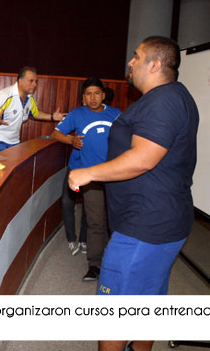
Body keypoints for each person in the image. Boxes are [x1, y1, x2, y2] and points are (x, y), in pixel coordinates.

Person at [69, 37, 199, 351]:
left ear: (155, 64)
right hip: (161, 220)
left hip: (144, 227)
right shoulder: (171, 97)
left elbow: (143, 159)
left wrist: (88, 173)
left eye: (137, 57)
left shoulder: (163, 101)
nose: (130, 62)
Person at [52, 78, 121, 280]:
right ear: (83, 97)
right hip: (88, 175)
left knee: (113, 219)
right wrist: (70, 140)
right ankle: (95, 264)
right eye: (88, 94)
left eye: (97, 93)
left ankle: (114, 261)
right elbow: (56, 133)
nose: (93, 98)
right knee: (96, 220)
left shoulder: (116, 114)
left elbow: (128, 138)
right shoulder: (77, 114)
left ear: (103, 95)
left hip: (113, 174)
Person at [0, 66, 65, 153]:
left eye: (36, 81)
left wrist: (52, 116)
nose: (35, 84)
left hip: (13, 142)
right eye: (31, 81)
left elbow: (35, 113)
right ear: (20, 81)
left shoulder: (30, 98)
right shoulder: (6, 95)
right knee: (0, 166)